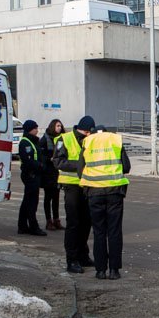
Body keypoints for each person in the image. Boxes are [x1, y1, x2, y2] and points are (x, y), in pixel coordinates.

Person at [78, 125, 132, 280]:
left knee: (99, 232)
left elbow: (80, 170)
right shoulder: (115, 141)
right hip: (114, 192)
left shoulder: (87, 143)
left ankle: (100, 270)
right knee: (114, 232)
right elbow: (126, 167)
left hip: (94, 193)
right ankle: (114, 270)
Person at [54, 115, 97, 273]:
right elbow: (58, 162)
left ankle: (82, 255)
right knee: (73, 224)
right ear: (84, 130)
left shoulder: (90, 139)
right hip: (71, 186)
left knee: (86, 222)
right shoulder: (63, 139)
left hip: (87, 185)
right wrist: (79, 166)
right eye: (87, 133)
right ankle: (71, 260)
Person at [17, 120, 47, 235]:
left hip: (34, 174)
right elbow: (28, 160)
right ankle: (33, 227)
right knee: (32, 202)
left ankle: (23, 226)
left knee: (27, 202)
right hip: (30, 175)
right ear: (30, 129)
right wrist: (40, 165)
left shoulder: (33, 141)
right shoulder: (25, 142)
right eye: (35, 128)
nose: (37, 130)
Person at [42, 119, 65, 231]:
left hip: (57, 172)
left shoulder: (62, 139)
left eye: (60, 126)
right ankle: (48, 221)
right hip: (48, 172)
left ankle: (56, 220)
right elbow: (41, 155)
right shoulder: (45, 139)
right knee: (48, 197)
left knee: (56, 197)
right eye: (57, 126)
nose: (59, 128)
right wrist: (49, 159)